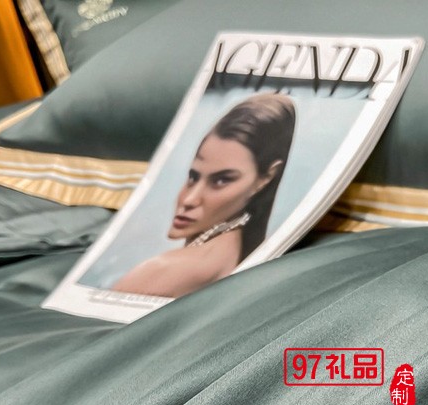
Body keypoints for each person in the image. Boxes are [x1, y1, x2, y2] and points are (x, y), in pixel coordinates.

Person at [112, 93, 295, 298]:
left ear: (266, 177)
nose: (189, 200)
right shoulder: (230, 254)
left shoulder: (166, 269)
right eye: (193, 176)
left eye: (221, 180)